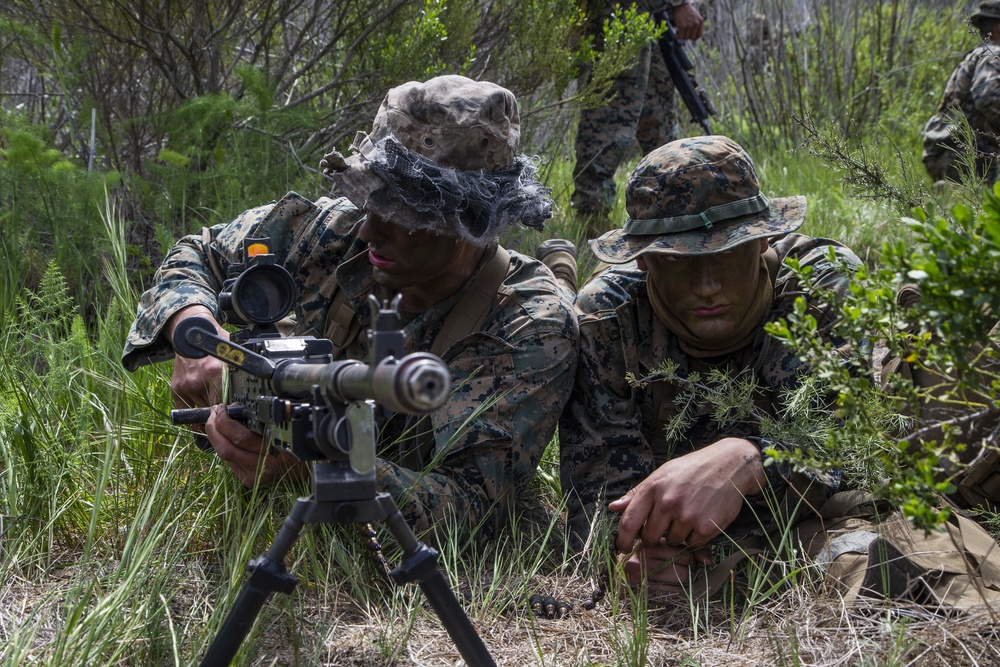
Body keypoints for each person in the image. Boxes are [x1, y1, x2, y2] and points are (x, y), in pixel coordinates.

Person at [122, 75, 579, 541]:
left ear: (471, 219)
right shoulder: (331, 229)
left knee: (566, 297)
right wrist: (191, 323)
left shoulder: (531, 327)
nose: (369, 232)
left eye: (401, 214)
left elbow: (476, 507)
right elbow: (198, 253)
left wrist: (325, 465)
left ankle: (561, 266)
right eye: (368, 198)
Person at [559, 135, 1000, 607]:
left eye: (727, 254)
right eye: (679, 261)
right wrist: (633, 549)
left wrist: (750, 459)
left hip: (811, 508)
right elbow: (597, 489)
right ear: (643, 260)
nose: (706, 286)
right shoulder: (610, 315)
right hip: (707, 538)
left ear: (763, 239)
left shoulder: (818, 282)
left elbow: (854, 453)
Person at [572, 0, 705, 238]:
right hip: (618, 13)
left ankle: (671, 221)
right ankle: (592, 232)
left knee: (661, 128)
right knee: (607, 123)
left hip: (647, 15)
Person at [922, 0, 1000, 186]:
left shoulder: (977, 54)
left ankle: (951, 190)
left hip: (944, 149)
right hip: (968, 154)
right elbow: (987, 98)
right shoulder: (994, 54)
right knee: (983, 207)